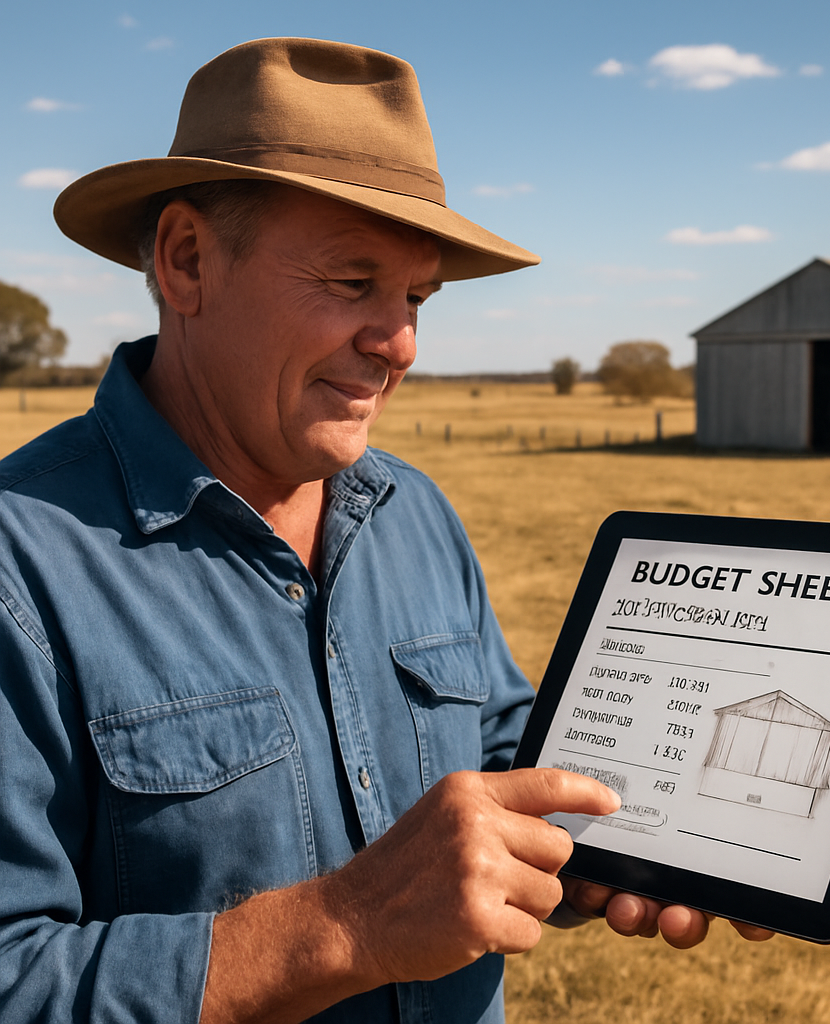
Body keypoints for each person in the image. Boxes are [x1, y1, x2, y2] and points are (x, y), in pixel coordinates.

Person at [0, 38, 770, 1024]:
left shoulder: (413, 514)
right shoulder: (25, 565)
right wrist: (346, 924)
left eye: (414, 296)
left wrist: (641, 837)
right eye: (350, 281)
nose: (400, 342)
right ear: (186, 259)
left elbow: (498, 756)